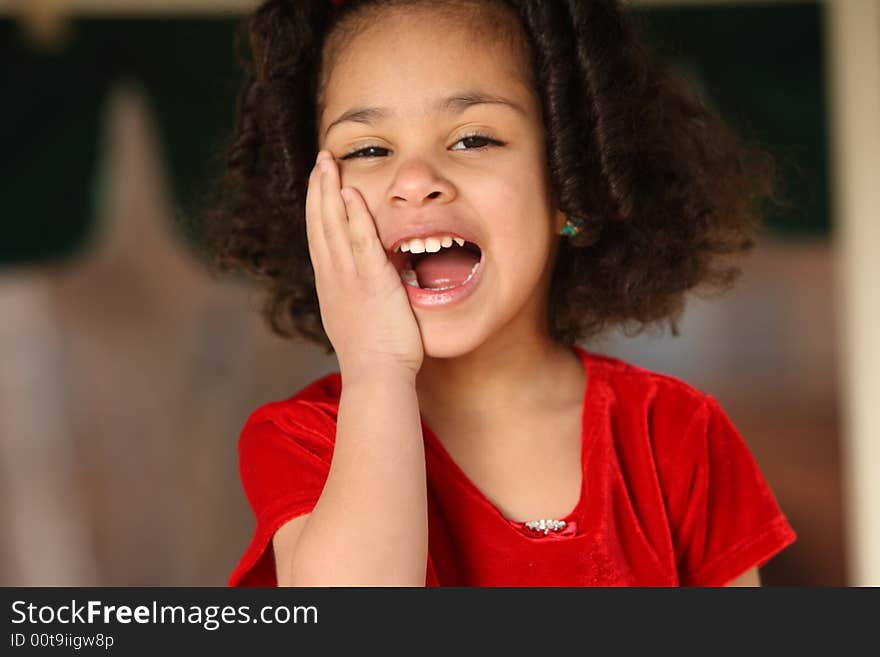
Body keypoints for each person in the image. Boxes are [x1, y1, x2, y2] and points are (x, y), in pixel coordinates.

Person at [203, 0, 796, 587]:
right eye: (368, 150)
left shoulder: (677, 433)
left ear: (569, 181)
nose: (415, 182)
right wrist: (376, 370)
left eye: (473, 140)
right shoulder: (301, 442)